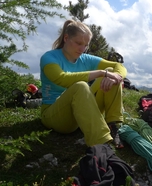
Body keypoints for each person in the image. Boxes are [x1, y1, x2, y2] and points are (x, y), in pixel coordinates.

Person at [40, 20, 126, 148]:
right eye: (78, 43)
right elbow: (61, 79)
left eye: (86, 45)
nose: (82, 49)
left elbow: (118, 65)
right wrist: (100, 73)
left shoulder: (84, 59)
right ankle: (100, 143)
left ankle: (113, 126)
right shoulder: (49, 57)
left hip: (81, 113)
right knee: (81, 86)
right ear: (66, 38)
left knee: (112, 72)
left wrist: (116, 77)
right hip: (56, 116)